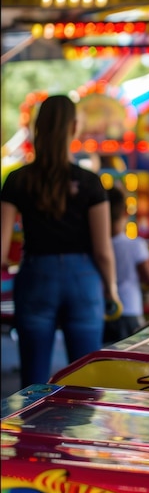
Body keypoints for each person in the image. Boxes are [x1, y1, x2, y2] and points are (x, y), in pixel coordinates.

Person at [0, 94, 121, 388]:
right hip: (84, 278)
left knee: (33, 384)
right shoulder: (91, 183)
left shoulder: (18, 180)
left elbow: (1, 248)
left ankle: (32, 432)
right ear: (74, 127)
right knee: (85, 380)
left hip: (36, 274)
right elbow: (103, 249)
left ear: (38, 127)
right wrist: (112, 290)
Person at [104, 186, 149, 344]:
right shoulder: (136, 245)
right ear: (125, 213)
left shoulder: (96, 246)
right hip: (129, 310)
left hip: (102, 310)